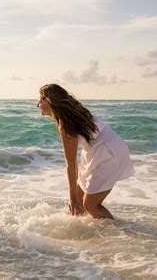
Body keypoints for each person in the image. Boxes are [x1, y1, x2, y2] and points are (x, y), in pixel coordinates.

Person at [37, 84, 135, 219]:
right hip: (98, 150)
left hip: (107, 153)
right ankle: (82, 231)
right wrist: (74, 197)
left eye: (40, 100)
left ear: (50, 101)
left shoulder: (65, 124)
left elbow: (71, 164)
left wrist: (71, 197)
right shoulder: (74, 112)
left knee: (90, 204)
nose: (38, 105)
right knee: (79, 199)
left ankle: (117, 232)